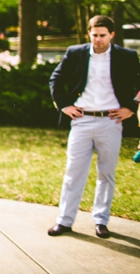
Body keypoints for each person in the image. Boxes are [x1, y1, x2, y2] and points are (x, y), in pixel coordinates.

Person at [48, 15, 140, 239]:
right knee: (73, 172)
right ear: (88, 33)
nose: (98, 39)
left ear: (112, 35)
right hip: (82, 120)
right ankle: (65, 221)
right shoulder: (76, 53)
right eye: (94, 35)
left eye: (102, 35)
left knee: (106, 173)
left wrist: (131, 107)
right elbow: (55, 79)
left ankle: (101, 221)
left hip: (111, 121)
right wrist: (64, 106)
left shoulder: (126, 56)